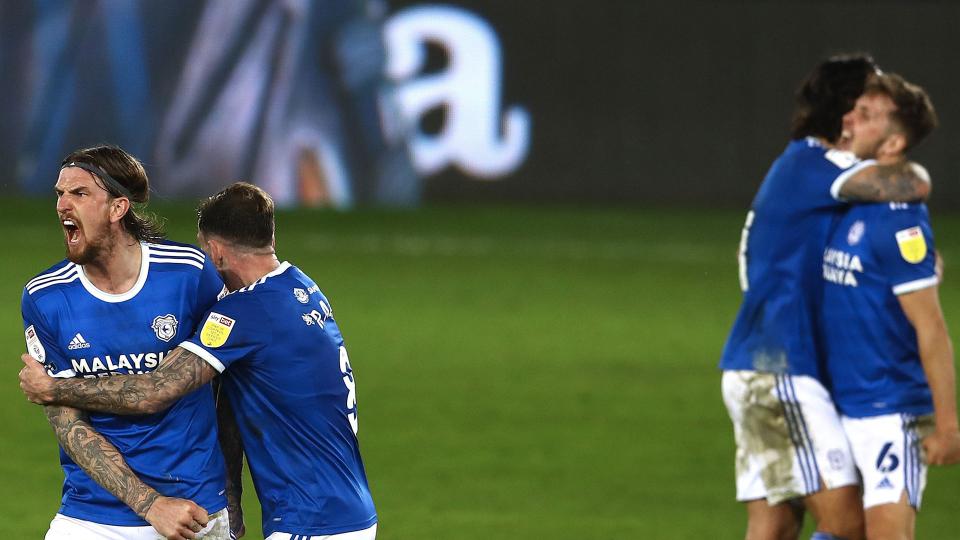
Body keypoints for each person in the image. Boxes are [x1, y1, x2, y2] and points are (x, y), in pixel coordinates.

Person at [21, 182, 379, 540]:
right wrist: (232, 492)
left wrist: (52, 388)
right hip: (345, 505)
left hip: (313, 518)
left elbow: (153, 391)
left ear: (217, 253)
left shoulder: (245, 311)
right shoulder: (299, 286)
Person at [719, 54, 934, 540]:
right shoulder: (822, 165)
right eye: (864, 103)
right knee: (848, 525)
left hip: (755, 365)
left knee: (774, 525)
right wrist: (909, 162)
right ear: (844, 111)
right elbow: (908, 184)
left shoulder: (798, 166)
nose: (864, 113)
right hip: (781, 369)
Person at [20, 145, 230, 539]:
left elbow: (229, 384)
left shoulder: (189, 274)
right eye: (59, 193)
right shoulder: (45, 297)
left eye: (79, 193)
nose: (62, 205)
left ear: (118, 208)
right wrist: (150, 505)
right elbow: (68, 423)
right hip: (91, 513)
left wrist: (228, 494)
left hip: (191, 510)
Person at [820, 73, 960, 540]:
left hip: (889, 410)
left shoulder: (900, 222)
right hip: (836, 402)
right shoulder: (850, 198)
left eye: (866, 115)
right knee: (838, 529)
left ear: (894, 142)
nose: (850, 120)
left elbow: (931, 326)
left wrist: (948, 426)